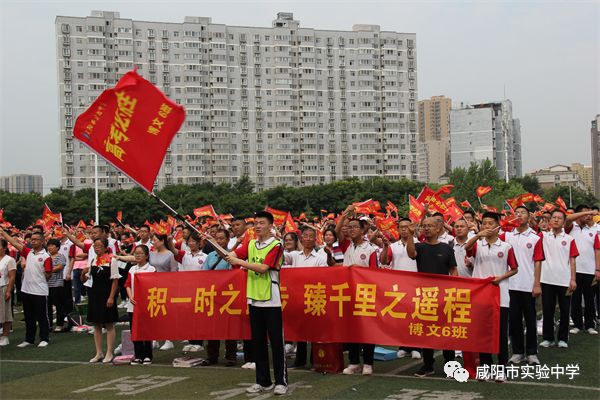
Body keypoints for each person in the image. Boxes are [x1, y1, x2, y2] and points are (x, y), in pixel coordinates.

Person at [225, 211, 287, 395]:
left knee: (276, 343)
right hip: (253, 299)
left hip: (272, 300)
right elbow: (230, 255)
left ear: (270, 226)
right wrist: (215, 244)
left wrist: (240, 262)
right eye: (256, 223)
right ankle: (263, 381)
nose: (258, 226)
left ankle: (281, 381)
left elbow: (263, 268)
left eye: (261, 223)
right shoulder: (251, 244)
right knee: (258, 343)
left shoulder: (276, 245)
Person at [465, 212, 519, 382]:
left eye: (490, 224)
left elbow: (514, 268)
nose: (487, 227)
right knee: (482, 334)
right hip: (481, 295)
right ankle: (485, 369)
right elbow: (466, 249)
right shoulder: (478, 245)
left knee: (501, 334)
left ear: (497, 227)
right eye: (484, 224)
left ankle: (501, 369)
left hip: (500, 294)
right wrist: (477, 236)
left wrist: (501, 278)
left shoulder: (506, 246)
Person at [406, 217, 458, 377]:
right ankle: (428, 365)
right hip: (425, 296)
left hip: (444, 296)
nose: (426, 228)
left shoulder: (447, 248)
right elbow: (411, 253)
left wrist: (453, 289)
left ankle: (450, 365)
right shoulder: (419, 247)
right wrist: (410, 234)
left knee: (446, 331)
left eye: (430, 226)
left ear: (438, 228)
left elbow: (453, 270)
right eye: (424, 226)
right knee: (427, 332)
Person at [335, 204, 378, 376]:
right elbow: (338, 230)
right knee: (350, 329)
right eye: (349, 227)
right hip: (347, 293)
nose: (351, 230)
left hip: (365, 294)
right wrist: (345, 213)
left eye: (355, 227)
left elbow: (375, 273)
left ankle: (368, 362)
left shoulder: (371, 249)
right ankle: (354, 363)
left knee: (367, 329)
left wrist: (358, 270)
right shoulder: (346, 246)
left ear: (363, 230)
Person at [500, 206, 545, 366]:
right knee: (514, 320)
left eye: (523, 213)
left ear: (529, 217)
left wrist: (537, 284)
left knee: (531, 320)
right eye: (516, 213)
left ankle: (532, 352)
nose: (519, 216)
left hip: (528, 284)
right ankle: (518, 352)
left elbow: (537, 262)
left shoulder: (535, 237)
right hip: (510, 285)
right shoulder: (506, 236)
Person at [283, 227, 328, 370]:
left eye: (311, 237)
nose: (308, 239)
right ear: (301, 238)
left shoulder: (320, 259)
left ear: (315, 240)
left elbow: (322, 277)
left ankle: (315, 360)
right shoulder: (295, 255)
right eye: (305, 236)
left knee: (315, 331)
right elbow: (282, 258)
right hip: (298, 297)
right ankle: (299, 360)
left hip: (314, 297)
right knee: (300, 331)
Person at [1, 229, 52, 348]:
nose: (33, 242)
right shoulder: (28, 252)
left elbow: (48, 274)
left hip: (39, 290)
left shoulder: (45, 256)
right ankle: (29, 339)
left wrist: (39, 281)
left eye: (36, 240)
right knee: (29, 316)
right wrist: (4, 234)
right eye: (32, 240)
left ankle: (44, 338)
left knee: (41, 316)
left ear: (43, 241)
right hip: (26, 289)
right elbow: (14, 243)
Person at [380, 218, 421, 360]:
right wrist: (385, 246)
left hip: (415, 284)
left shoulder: (419, 244)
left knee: (415, 317)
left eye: (407, 226)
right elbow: (385, 261)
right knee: (402, 318)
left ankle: (416, 347)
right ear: (397, 230)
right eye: (401, 227)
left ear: (413, 228)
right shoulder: (394, 246)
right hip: (399, 286)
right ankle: (404, 346)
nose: (404, 229)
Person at [539, 210, 579, 348]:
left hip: (564, 279)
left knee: (565, 310)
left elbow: (572, 260)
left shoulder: (569, 239)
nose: (556, 220)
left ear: (564, 222)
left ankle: (563, 338)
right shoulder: (543, 236)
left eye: (559, 218)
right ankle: (548, 338)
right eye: (554, 218)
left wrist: (573, 279)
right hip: (546, 279)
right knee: (548, 310)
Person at [201, 228, 237, 367]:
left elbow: (234, 273)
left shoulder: (232, 255)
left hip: (228, 295)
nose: (219, 241)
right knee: (212, 327)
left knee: (229, 327)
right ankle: (212, 356)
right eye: (217, 238)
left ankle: (231, 356)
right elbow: (204, 275)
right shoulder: (210, 256)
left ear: (228, 240)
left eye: (222, 238)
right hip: (212, 295)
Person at [82, 237, 120, 363]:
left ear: (105, 247)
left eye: (99, 245)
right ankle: (99, 352)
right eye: (95, 245)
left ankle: (109, 352)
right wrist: (83, 273)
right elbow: (84, 280)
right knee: (97, 324)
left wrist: (111, 297)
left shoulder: (111, 261)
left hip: (106, 293)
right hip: (95, 294)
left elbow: (115, 280)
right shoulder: (92, 261)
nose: (96, 248)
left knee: (108, 323)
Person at [564, 205, 600, 335]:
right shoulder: (571, 228)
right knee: (576, 299)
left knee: (590, 299)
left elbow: (597, 251)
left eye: (590, 214)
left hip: (590, 270)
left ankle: (590, 324)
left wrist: (597, 269)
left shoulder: (593, 231)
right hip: (575, 271)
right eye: (585, 214)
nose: (589, 216)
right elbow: (568, 218)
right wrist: (589, 211)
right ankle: (577, 324)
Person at [169, 231, 207, 352]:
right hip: (186, 290)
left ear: (199, 243)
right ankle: (191, 341)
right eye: (189, 241)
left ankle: (199, 342)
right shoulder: (184, 255)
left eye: (193, 241)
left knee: (199, 317)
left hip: (200, 290)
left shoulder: (205, 257)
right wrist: (170, 240)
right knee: (188, 317)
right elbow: (173, 250)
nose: (191, 243)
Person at [124, 245, 156, 365]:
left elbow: (154, 285)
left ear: (147, 256)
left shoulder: (151, 269)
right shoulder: (132, 269)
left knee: (146, 330)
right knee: (135, 330)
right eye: (136, 253)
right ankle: (138, 354)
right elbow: (127, 284)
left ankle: (148, 354)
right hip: (133, 304)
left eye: (141, 253)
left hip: (147, 303)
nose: (138, 255)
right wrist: (130, 296)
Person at [46, 239, 67, 333]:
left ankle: (59, 324)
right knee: (47, 306)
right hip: (46, 284)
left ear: (57, 247)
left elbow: (59, 267)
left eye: (52, 246)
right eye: (48, 246)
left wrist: (47, 270)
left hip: (57, 284)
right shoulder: (46, 257)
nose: (50, 248)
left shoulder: (61, 256)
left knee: (59, 305)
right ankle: (49, 324)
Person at [0, 238, 16, 346]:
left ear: (5, 248)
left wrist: (9, 291)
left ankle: (5, 336)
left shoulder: (9, 260)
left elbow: (12, 277)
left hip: (3, 287)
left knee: (5, 312)